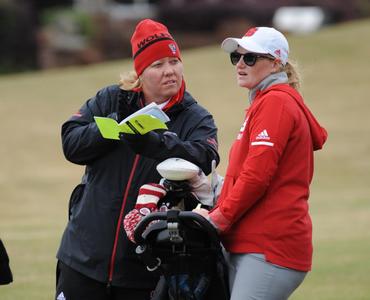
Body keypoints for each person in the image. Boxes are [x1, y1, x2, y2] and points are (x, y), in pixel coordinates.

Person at [55, 19, 219, 300]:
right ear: (140, 72)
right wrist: (114, 127)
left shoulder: (196, 117)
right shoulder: (110, 99)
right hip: (82, 259)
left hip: (148, 269)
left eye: (174, 61)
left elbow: (206, 158)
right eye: (158, 65)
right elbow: (71, 143)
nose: (170, 71)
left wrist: (160, 143)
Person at [193, 27, 328, 300]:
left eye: (250, 58)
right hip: (251, 243)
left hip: (269, 247)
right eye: (236, 57)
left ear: (276, 63)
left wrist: (217, 219)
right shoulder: (264, 103)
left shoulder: (276, 103)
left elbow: (256, 177)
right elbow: (245, 176)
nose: (240, 64)